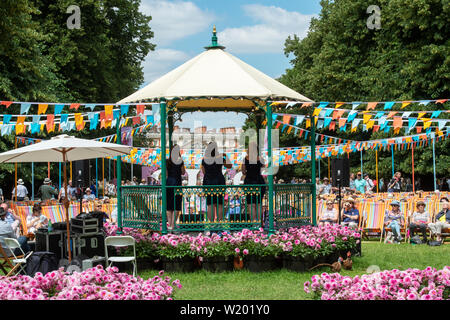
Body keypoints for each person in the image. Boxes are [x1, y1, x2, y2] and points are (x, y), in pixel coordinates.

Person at [201, 142, 232, 223]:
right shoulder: (220, 158)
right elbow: (229, 166)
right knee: (220, 204)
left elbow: (203, 172)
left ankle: (211, 224)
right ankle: (219, 223)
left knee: (210, 204)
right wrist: (225, 156)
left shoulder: (204, 159)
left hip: (208, 182)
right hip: (219, 181)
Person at [242, 141, 266, 222]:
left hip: (249, 181)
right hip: (259, 181)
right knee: (259, 204)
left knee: (251, 204)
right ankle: (259, 223)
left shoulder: (245, 159)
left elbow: (243, 172)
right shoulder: (260, 158)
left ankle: (253, 223)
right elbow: (264, 168)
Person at [166, 144, 186, 231]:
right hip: (177, 183)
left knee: (169, 205)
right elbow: (183, 172)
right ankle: (173, 225)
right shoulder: (180, 161)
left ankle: (169, 224)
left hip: (169, 183)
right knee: (177, 205)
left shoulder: (167, 161)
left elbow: (166, 174)